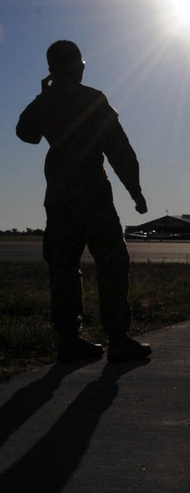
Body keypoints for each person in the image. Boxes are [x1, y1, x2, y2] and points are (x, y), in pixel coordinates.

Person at [16, 40, 152, 364]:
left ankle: (68, 340)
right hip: (91, 192)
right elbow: (118, 148)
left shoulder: (46, 102)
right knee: (112, 261)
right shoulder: (92, 99)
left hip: (58, 196)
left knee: (63, 267)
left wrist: (43, 96)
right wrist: (135, 191)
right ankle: (117, 338)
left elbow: (26, 133)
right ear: (77, 65)